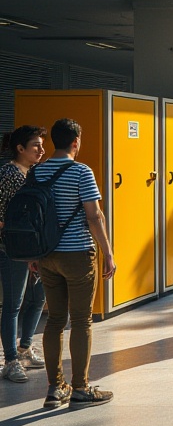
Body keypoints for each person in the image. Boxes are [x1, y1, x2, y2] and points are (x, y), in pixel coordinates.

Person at [33, 118, 116, 409]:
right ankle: (80, 387)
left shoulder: (37, 171)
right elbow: (94, 216)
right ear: (76, 142)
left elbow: (35, 217)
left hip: (46, 255)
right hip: (78, 254)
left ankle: (55, 389)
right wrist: (108, 253)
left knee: (55, 320)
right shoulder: (81, 171)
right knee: (81, 320)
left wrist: (35, 254)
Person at [0, 126, 48, 383]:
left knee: (38, 298)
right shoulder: (8, 174)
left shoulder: (37, 172)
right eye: (35, 146)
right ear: (20, 149)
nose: (42, 150)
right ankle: (10, 360)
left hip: (37, 248)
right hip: (13, 249)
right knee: (13, 304)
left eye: (42, 145)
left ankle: (25, 348)